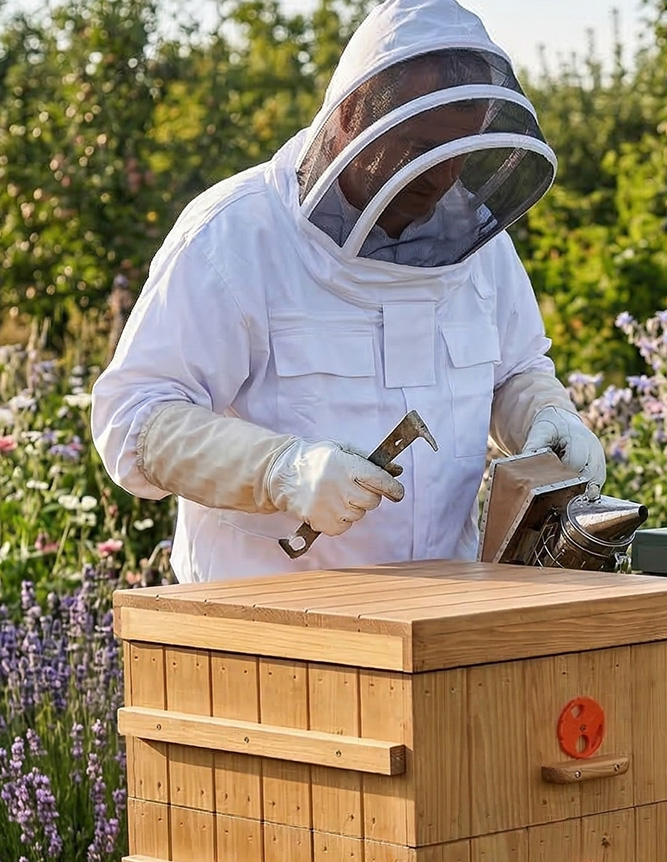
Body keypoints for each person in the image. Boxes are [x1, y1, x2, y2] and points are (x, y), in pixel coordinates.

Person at [90, 0, 607, 583]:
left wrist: (545, 414)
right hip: (265, 615)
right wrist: (278, 470)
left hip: (444, 609)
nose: (440, 176)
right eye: (418, 147)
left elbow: (513, 372)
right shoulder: (235, 235)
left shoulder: (480, 245)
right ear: (348, 118)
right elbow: (135, 420)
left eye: (459, 151)